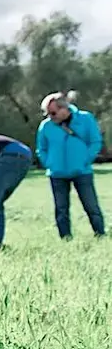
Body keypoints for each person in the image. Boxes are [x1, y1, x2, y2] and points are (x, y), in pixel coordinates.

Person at [36, 91, 105, 239]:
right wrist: (48, 163)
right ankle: (65, 238)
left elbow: (95, 141)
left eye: (53, 113)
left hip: (82, 171)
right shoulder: (45, 126)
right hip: (57, 173)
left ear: (64, 109)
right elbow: (41, 148)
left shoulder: (85, 119)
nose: (50, 117)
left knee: (91, 206)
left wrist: (85, 159)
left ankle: (100, 234)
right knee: (61, 209)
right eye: (47, 114)